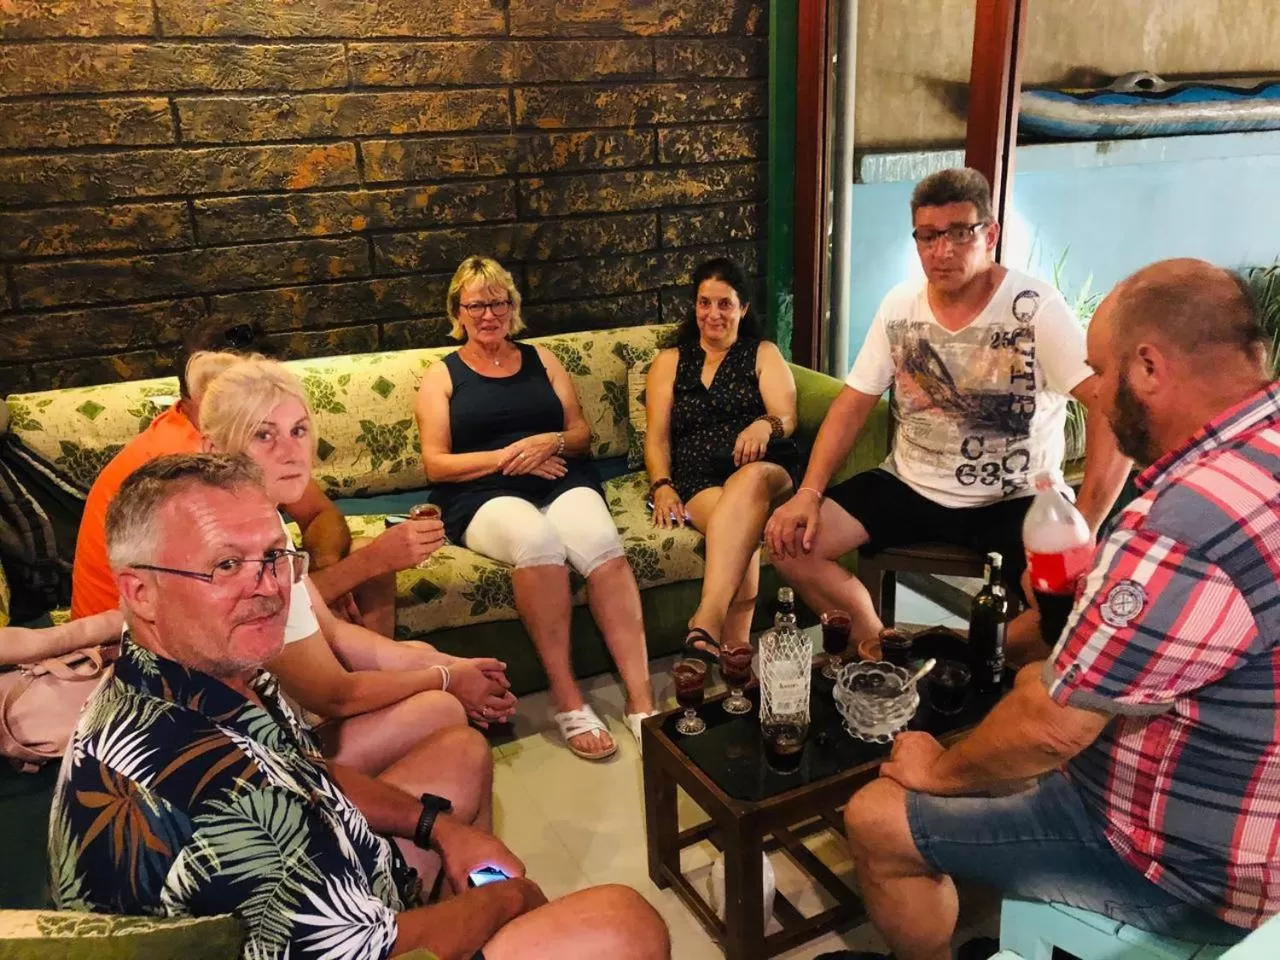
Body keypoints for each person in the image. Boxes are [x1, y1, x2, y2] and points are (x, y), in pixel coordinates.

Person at [49, 453, 671, 960]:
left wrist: (439, 827)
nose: (265, 588)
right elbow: (371, 947)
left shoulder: (194, 669)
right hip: (352, 943)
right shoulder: (223, 797)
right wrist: (507, 903)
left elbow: (302, 769)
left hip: (317, 897)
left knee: (459, 751)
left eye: (272, 557)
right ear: (140, 591)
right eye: (226, 565)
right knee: (624, 924)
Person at [833, 260, 1280, 960]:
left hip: (1187, 864)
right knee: (1018, 686)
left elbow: (1051, 730)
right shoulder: (1259, 454)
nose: (1094, 393)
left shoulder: (1183, 527)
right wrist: (992, 651)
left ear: (1150, 367)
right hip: (1244, 808)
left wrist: (935, 770)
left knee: (877, 814)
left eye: (1100, 372)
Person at [765, 167, 1130, 661]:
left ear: (991, 234)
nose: (943, 251)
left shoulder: (1034, 307)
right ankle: (881, 648)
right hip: (911, 485)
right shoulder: (899, 306)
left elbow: (1113, 409)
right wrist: (807, 493)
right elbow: (853, 403)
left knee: (1060, 598)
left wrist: (1079, 528)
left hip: (1016, 496)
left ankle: (975, 663)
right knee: (790, 546)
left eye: (961, 232)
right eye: (929, 236)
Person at [196, 355, 516, 780]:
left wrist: (459, 665)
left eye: (299, 430)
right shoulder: (235, 550)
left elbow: (331, 630)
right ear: (215, 450)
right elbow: (334, 695)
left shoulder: (263, 515)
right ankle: (354, 828)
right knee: (441, 709)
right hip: (249, 761)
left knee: (421, 657)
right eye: (263, 435)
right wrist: (446, 679)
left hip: (281, 715)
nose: (291, 453)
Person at [416, 256, 655, 761]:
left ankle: (642, 700)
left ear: (513, 307)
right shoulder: (441, 376)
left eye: (498, 302)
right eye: (476, 304)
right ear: (457, 312)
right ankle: (567, 697)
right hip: (481, 494)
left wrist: (549, 441)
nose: (488, 314)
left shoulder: (543, 359)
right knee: (539, 542)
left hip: (559, 476)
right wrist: (509, 458)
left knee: (601, 545)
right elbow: (436, 464)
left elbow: (581, 435)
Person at [70, 316, 436, 637]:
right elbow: (242, 608)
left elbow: (321, 514)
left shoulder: (249, 446)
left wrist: (328, 573)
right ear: (198, 391)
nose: (258, 398)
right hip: (145, 644)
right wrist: (359, 569)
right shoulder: (189, 467)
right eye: (241, 387)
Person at [644, 257, 798, 655]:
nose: (713, 314)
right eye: (704, 303)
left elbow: (787, 416)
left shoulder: (762, 353)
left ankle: (706, 619)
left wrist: (764, 426)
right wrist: (661, 485)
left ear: (743, 308)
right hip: (699, 480)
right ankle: (737, 658)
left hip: (766, 470)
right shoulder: (670, 362)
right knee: (737, 524)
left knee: (746, 484)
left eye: (724, 304)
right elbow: (658, 439)